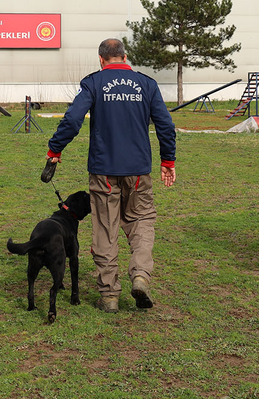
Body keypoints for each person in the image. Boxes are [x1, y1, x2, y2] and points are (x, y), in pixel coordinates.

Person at [46, 38, 177, 313]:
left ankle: (109, 296)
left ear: (101, 59)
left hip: (104, 171)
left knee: (105, 229)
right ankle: (140, 275)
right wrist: (168, 160)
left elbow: (72, 120)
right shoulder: (146, 84)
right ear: (125, 57)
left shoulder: (93, 83)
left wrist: (55, 149)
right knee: (141, 221)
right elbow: (165, 123)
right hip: (139, 171)